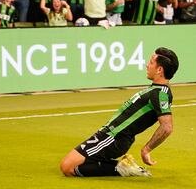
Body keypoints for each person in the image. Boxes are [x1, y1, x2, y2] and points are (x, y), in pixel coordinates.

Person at [60, 47, 179, 177]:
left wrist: (147, 149)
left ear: (159, 70)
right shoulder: (155, 90)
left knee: (68, 168)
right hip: (108, 135)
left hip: (114, 138)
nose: (147, 65)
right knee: (70, 165)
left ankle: (123, 168)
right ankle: (122, 166)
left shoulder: (160, 94)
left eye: (151, 62)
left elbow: (167, 127)